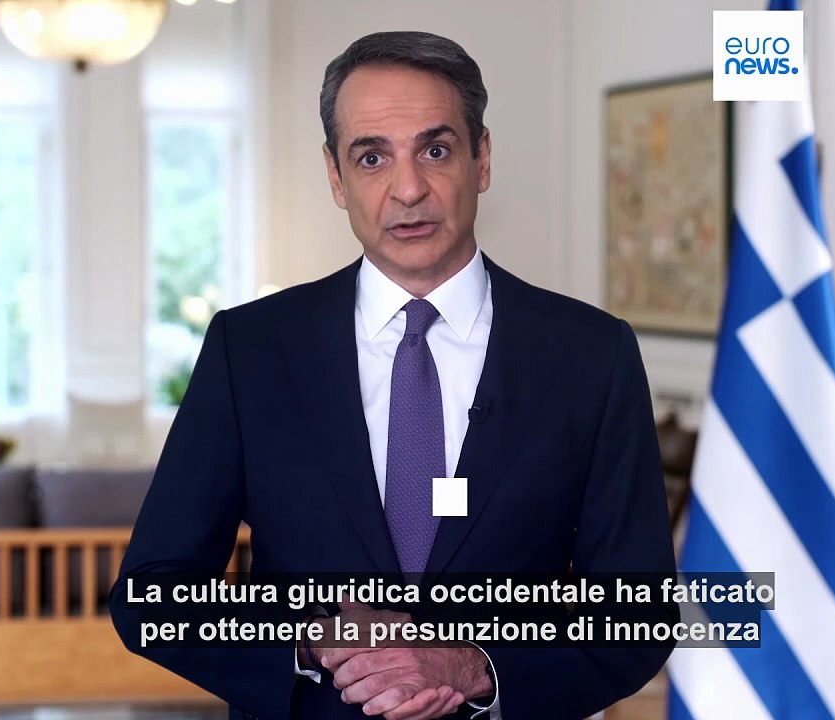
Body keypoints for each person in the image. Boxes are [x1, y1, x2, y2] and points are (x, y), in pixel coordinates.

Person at [110, 30, 676, 720]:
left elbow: (638, 614)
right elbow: (152, 594)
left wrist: (475, 666)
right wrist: (311, 640)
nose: (408, 190)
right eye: (372, 157)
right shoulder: (250, 349)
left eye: (435, 151)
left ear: (482, 158)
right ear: (335, 176)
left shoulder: (592, 355)